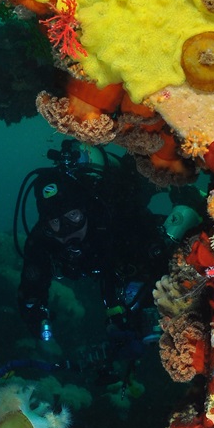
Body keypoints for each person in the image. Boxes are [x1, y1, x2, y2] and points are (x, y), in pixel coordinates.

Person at [16, 142, 170, 361]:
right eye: (56, 223)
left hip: (127, 206)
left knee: (148, 180)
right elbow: (30, 292)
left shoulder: (112, 217)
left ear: (85, 211)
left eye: (73, 217)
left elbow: (157, 257)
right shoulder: (41, 241)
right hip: (106, 260)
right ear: (46, 226)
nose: (68, 230)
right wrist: (36, 317)